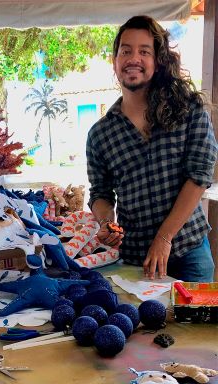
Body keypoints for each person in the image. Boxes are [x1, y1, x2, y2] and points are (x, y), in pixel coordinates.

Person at [86, 15, 218, 282]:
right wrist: (105, 223)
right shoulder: (100, 134)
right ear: (115, 62)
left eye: (144, 51)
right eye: (126, 51)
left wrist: (164, 237)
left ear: (157, 62)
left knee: (198, 324)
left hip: (189, 251)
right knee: (140, 324)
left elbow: (200, 175)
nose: (134, 58)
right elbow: (100, 193)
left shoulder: (188, 109)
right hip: (136, 260)